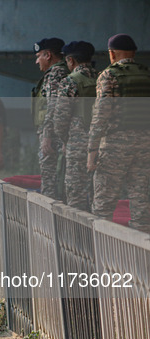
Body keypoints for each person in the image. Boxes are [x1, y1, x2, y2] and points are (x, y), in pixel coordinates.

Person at [87, 34, 150, 233]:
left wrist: (92, 151)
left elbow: (101, 115)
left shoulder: (109, 75)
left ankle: (102, 256)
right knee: (142, 205)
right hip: (145, 146)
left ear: (112, 54)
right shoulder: (147, 74)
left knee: (104, 205)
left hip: (115, 146)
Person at [52, 41, 98, 211]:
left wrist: (66, 141)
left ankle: (79, 236)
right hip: (102, 145)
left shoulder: (70, 81)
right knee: (99, 195)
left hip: (77, 145)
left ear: (71, 60)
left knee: (76, 195)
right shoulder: (103, 77)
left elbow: (60, 119)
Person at [32, 37, 69, 199]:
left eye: (38, 56)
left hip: (54, 136)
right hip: (59, 134)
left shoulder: (55, 74)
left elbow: (52, 107)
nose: (36, 61)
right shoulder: (65, 71)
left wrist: (47, 135)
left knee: (50, 181)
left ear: (48, 55)